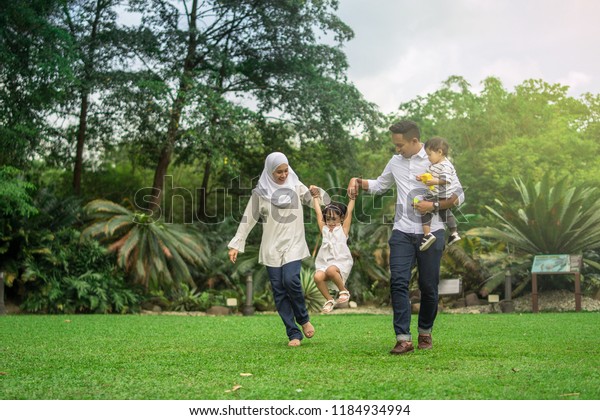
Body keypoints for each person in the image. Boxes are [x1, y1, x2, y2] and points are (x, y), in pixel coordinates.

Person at [347, 120, 464, 355]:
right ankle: (403, 338)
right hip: (402, 231)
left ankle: (425, 332)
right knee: (398, 282)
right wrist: (357, 181)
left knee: (428, 287)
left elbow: (458, 196)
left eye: (400, 145)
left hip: (433, 230)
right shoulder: (395, 162)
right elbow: (380, 185)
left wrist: (431, 206)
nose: (397, 149)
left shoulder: (436, 160)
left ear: (414, 141)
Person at [228, 152, 328, 347]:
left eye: (285, 170)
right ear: (269, 171)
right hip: (271, 247)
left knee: (291, 280)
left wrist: (317, 192)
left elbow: (317, 200)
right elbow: (248, 219)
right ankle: (293, 333)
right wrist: (235, 244)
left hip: (294, 243)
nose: (283, 175)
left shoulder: (295, 185)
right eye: (278, 172)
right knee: (279, 290)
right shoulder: (260, 194)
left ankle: (303, 319)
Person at [309, 187, 355, 313]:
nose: (330, 222)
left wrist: (352, 199)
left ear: (341, 219)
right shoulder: (324, 230)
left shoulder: (343, 230)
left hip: (341, 261)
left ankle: (343, 290)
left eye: (334, 219)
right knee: (318, 277)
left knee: (331, 270)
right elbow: (319, 213)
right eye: (328, 219)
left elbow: (349, 212)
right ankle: (329, 300)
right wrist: (315, 198)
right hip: (325, 262)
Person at [415, 136, 461, 251]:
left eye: (429, 155)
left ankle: (427, 235)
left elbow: (446, 180)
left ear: (439, 152)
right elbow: (430, 175)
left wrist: (435, 181)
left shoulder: (445, 165)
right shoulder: (436, 165)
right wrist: (422, 177)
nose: (428, 158)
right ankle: (454, 233)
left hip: (439, 193)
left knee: (424, 208)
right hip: (441, 194)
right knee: (445, 212)